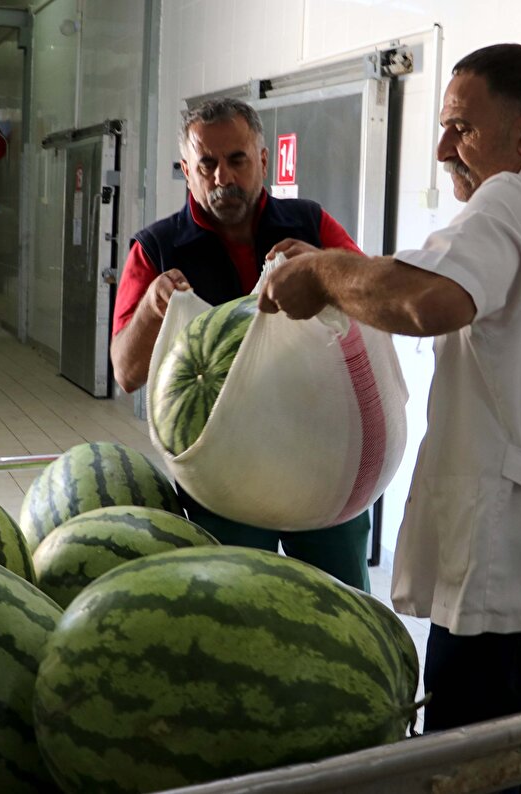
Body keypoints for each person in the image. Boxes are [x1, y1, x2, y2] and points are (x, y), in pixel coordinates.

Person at [259, 43, 521, 794]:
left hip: (513, 579)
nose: (441, 150)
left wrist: (320, 275)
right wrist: (340, 273)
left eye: (460, 128)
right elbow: (438, 276)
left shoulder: (512, 200)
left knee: (468, 774)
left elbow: (427, 301)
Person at [110, 97, 374, 592]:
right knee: (235, 610)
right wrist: (151, 308)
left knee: (341, 603)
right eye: (206, 164)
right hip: (222, 475)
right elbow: (126, 372)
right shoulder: (155, 247)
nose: (222, 178)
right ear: (186, 171)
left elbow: (373, 302)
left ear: (264, 160)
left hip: (318, 455)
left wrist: (324, 266)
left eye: (237, 160)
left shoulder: (311, 224)